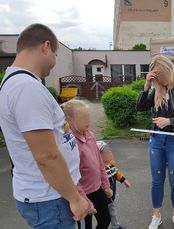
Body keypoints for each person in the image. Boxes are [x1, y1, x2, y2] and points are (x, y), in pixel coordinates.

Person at [0, 24, 94, 229]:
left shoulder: (17, 83)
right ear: (46, 46)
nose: (55, 60)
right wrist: (75, 199)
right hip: (51, 199)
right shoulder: (27, 88)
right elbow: (46, 156)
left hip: (53, 193)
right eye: (56, 54)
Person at [136, 55, 174, 229]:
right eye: (154, 75)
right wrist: (147, 86)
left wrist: (170, 122)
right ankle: (156, 215)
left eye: (159, 74)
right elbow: (140, 107)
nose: (158, 78)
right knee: (156, 180)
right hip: (156, 139)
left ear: (167, 69)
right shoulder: (157, 89)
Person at [62, 99, 112, 229]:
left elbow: (100, 162)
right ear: (70, 120)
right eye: (83, 118)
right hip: (82, 195)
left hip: (97, 189)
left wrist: (106, 185)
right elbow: (71, 176)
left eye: (88, 117)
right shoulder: (69, 143)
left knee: (105, 219)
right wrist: (85, 202)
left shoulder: (90, 135)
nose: (88, 121)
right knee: (85, 226)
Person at [97, 141, 131, 229]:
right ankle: (113, 226)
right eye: (106, 152)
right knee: (108, 215)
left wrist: (124, 180)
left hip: (112, 195)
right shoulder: (98, 168)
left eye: (109, 150)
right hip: (103, 197)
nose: (110, 152)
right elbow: (96, 182)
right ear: (99, 156)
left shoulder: (111, 163)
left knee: (112, 212)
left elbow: (116, 173)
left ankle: (115, 226)